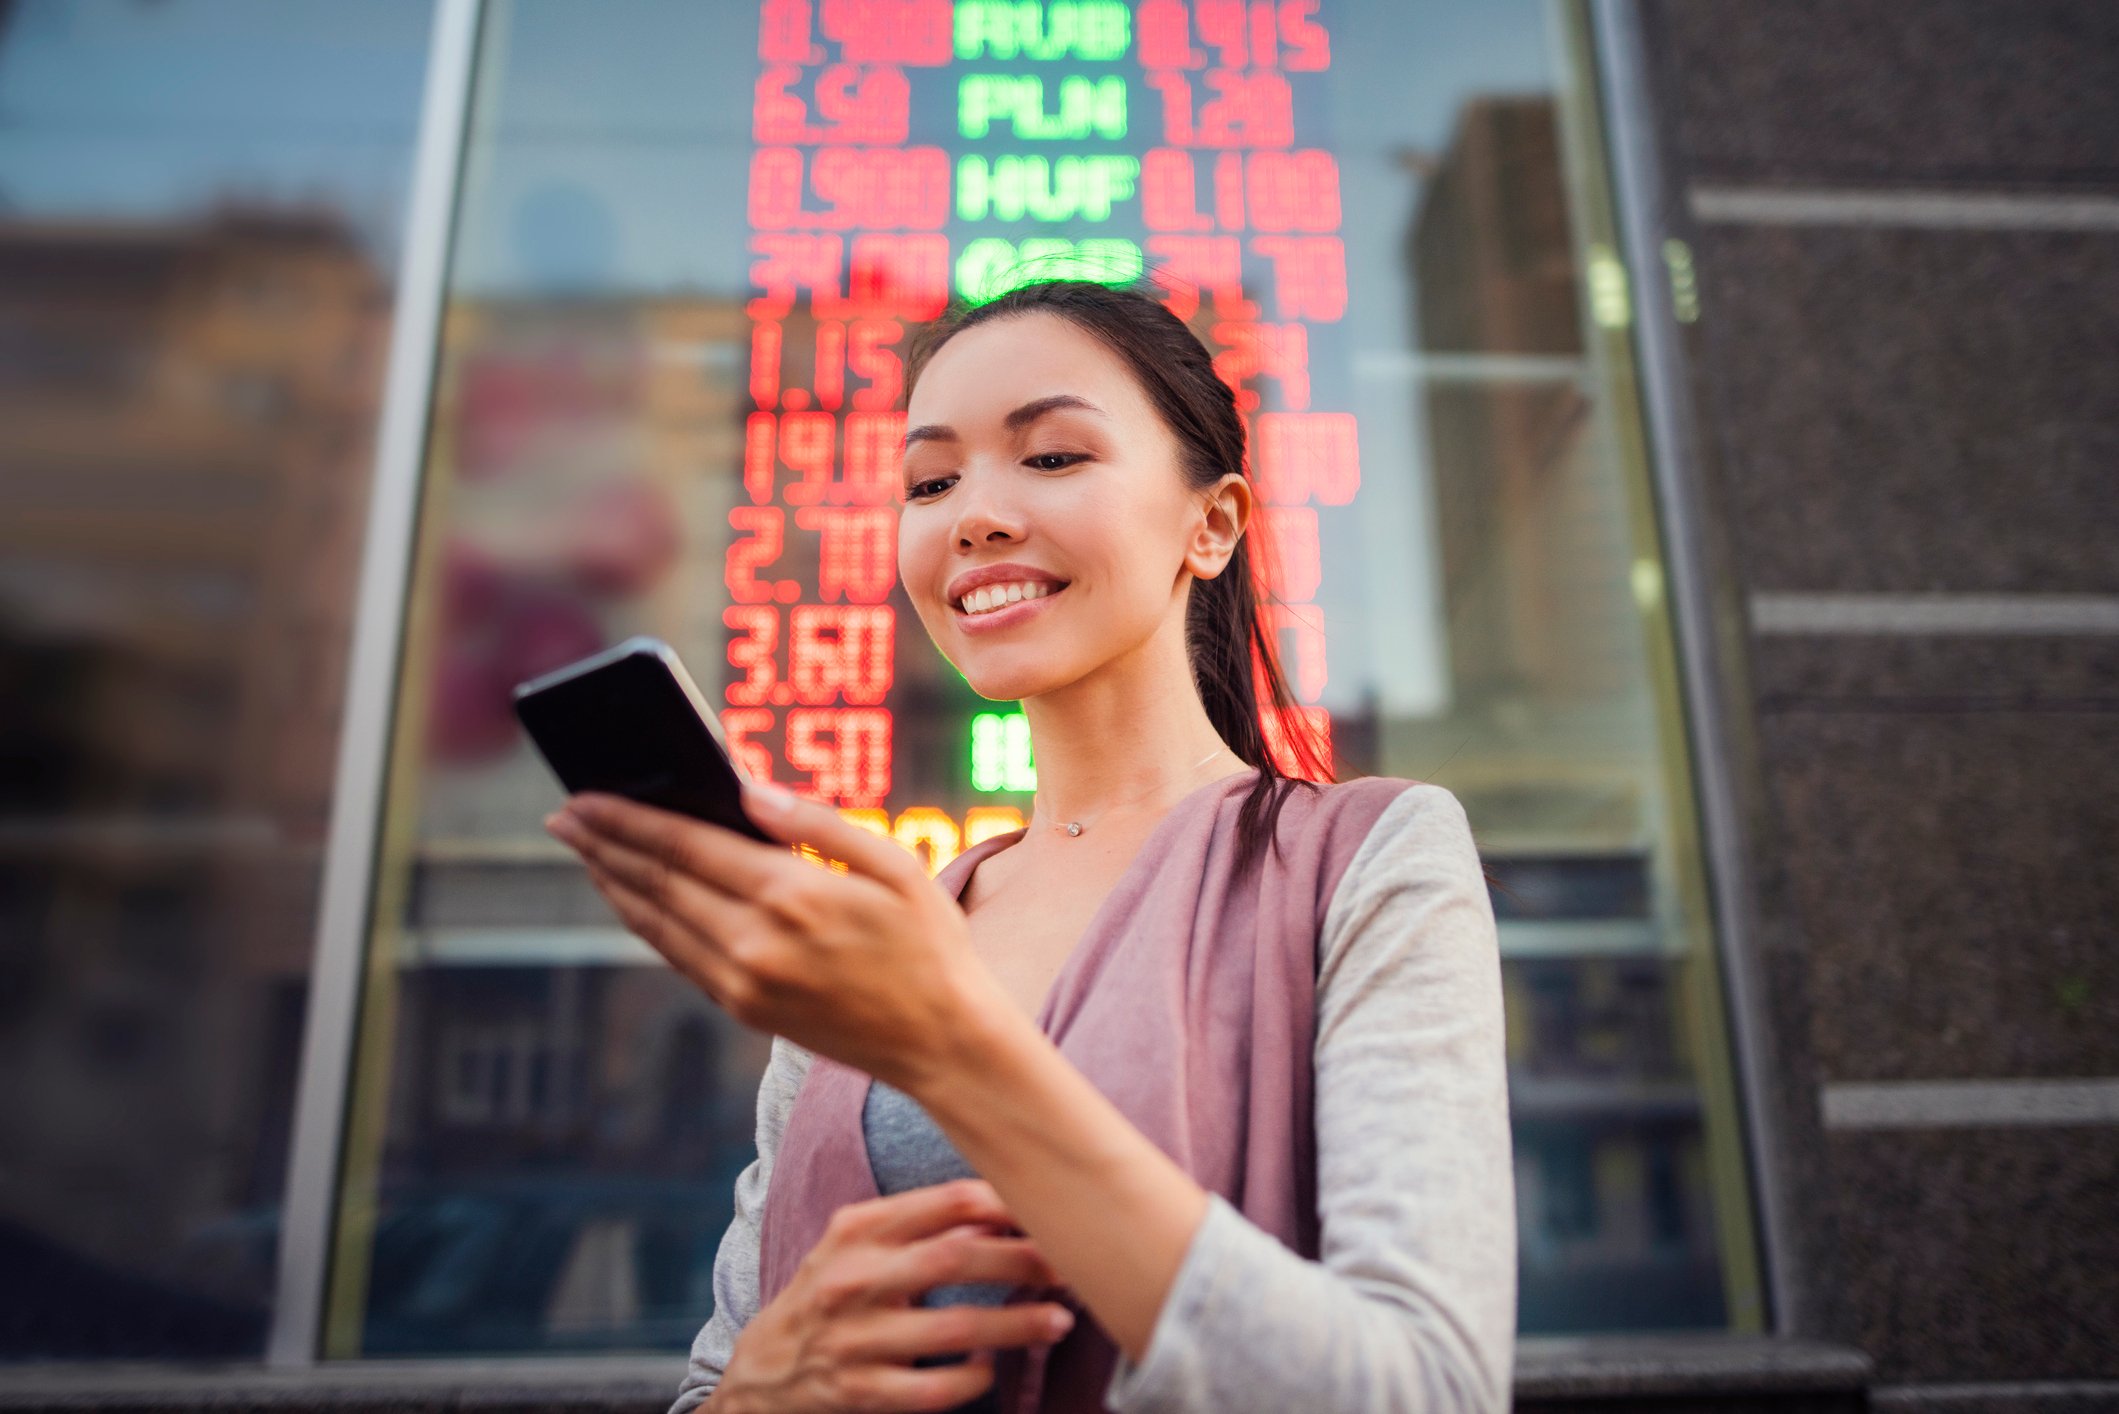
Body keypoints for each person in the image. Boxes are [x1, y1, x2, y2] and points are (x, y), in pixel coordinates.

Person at [543, 278, 1516, 1413]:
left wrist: (953, 1051)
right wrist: (760, 1392)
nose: (974, 515)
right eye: (930, 480)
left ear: (1211, 524)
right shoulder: (887, 932)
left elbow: (1425, 1392)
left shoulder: (1370, 861)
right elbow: (719, 1376)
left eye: (1051, 457)